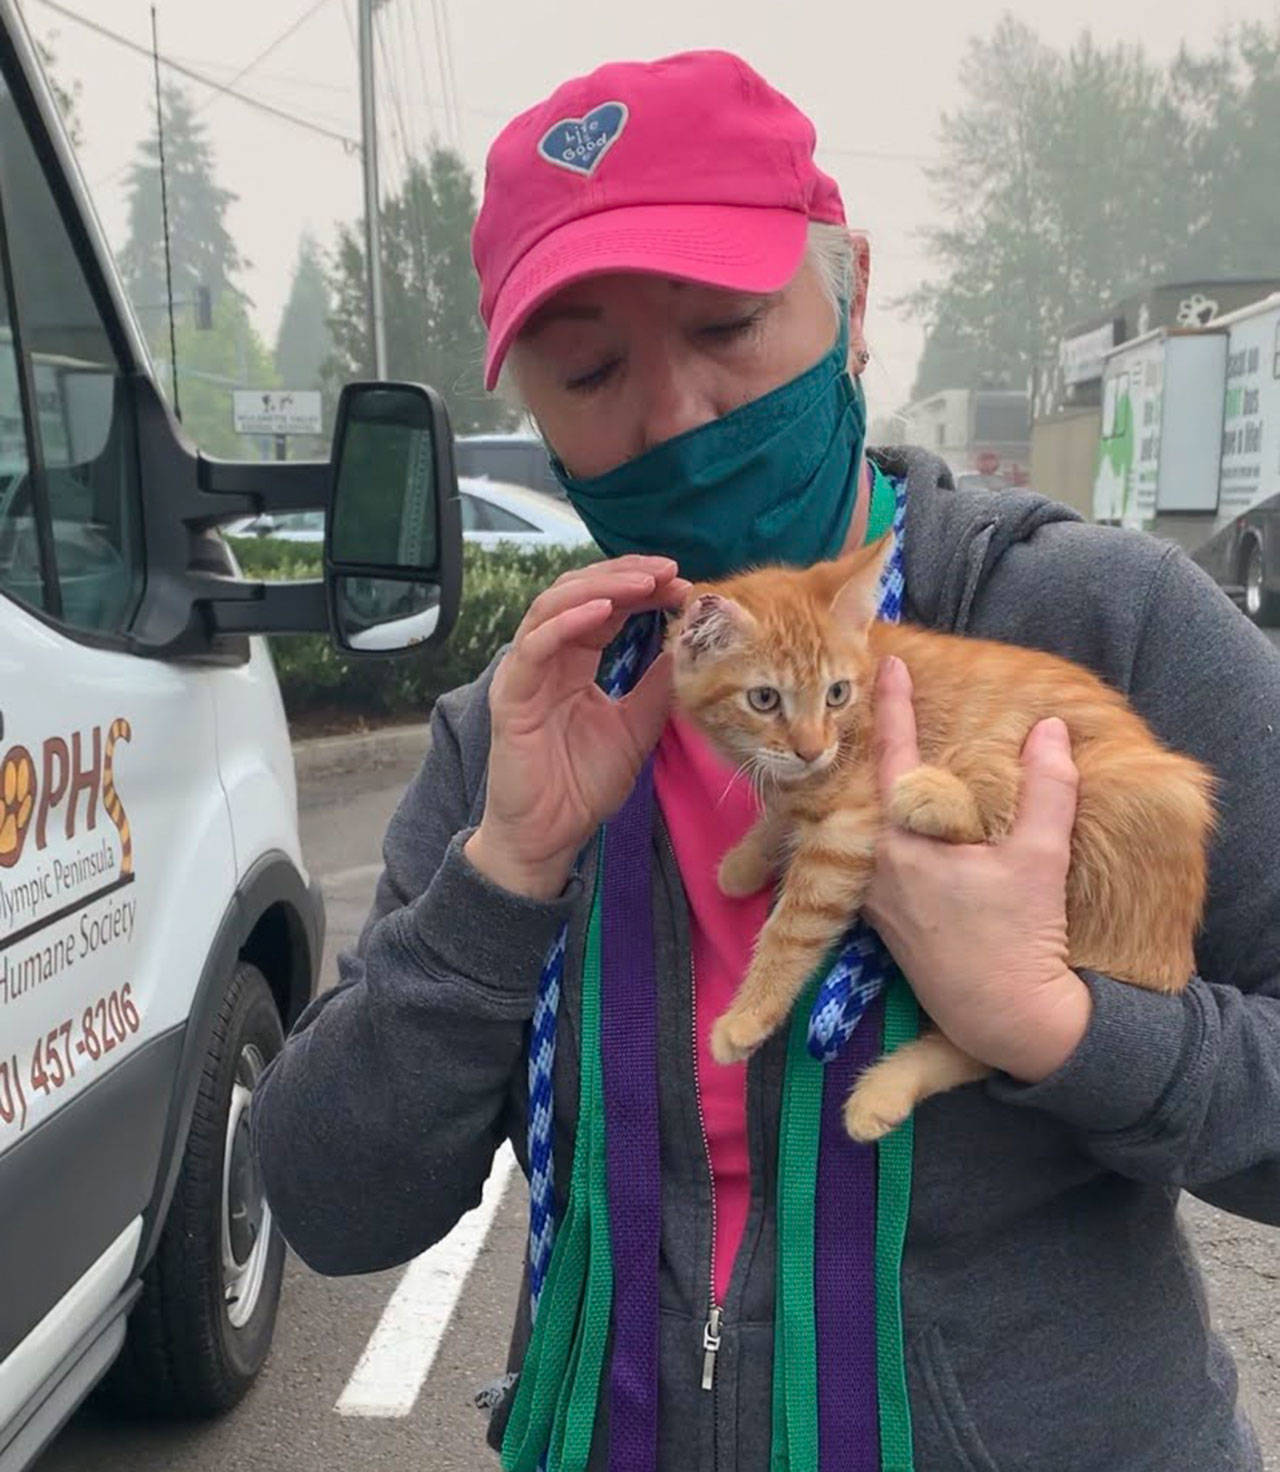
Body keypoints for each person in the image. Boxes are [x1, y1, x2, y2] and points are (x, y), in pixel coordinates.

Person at [251, 50, 1280, 1472]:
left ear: (851, 297)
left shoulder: (1103, 625)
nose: (677, 412)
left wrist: (1060, 1027)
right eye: (591, 368)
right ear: (533, 407)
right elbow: (328, 1203)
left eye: (729, 324)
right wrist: (505, 878)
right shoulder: (517, 728)